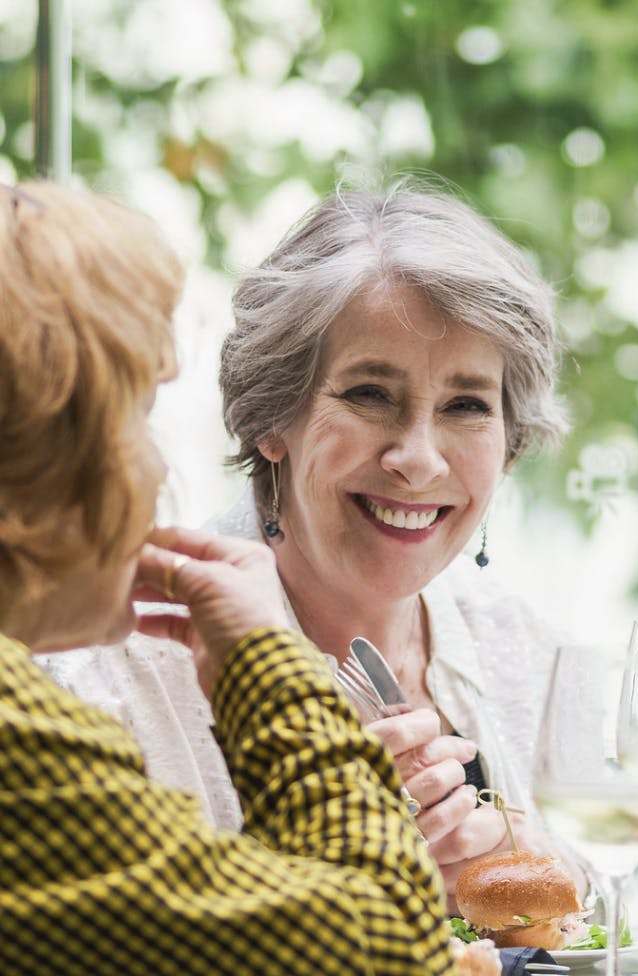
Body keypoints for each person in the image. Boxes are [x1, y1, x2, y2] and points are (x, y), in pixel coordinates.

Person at [41, 178, 583, 911]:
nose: (418, 459)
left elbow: (631, 935)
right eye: (369, 394)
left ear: (509, 444)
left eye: (466, 405)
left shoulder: (535, 657)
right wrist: (353, 877)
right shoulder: (106, 680)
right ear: (273, 417)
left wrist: (544, 880)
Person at [0, 180, 458, 975]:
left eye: (467, 405)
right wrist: (269, 671)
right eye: (134, 417)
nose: (157, 473)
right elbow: (389, 947)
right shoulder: (27, 742)